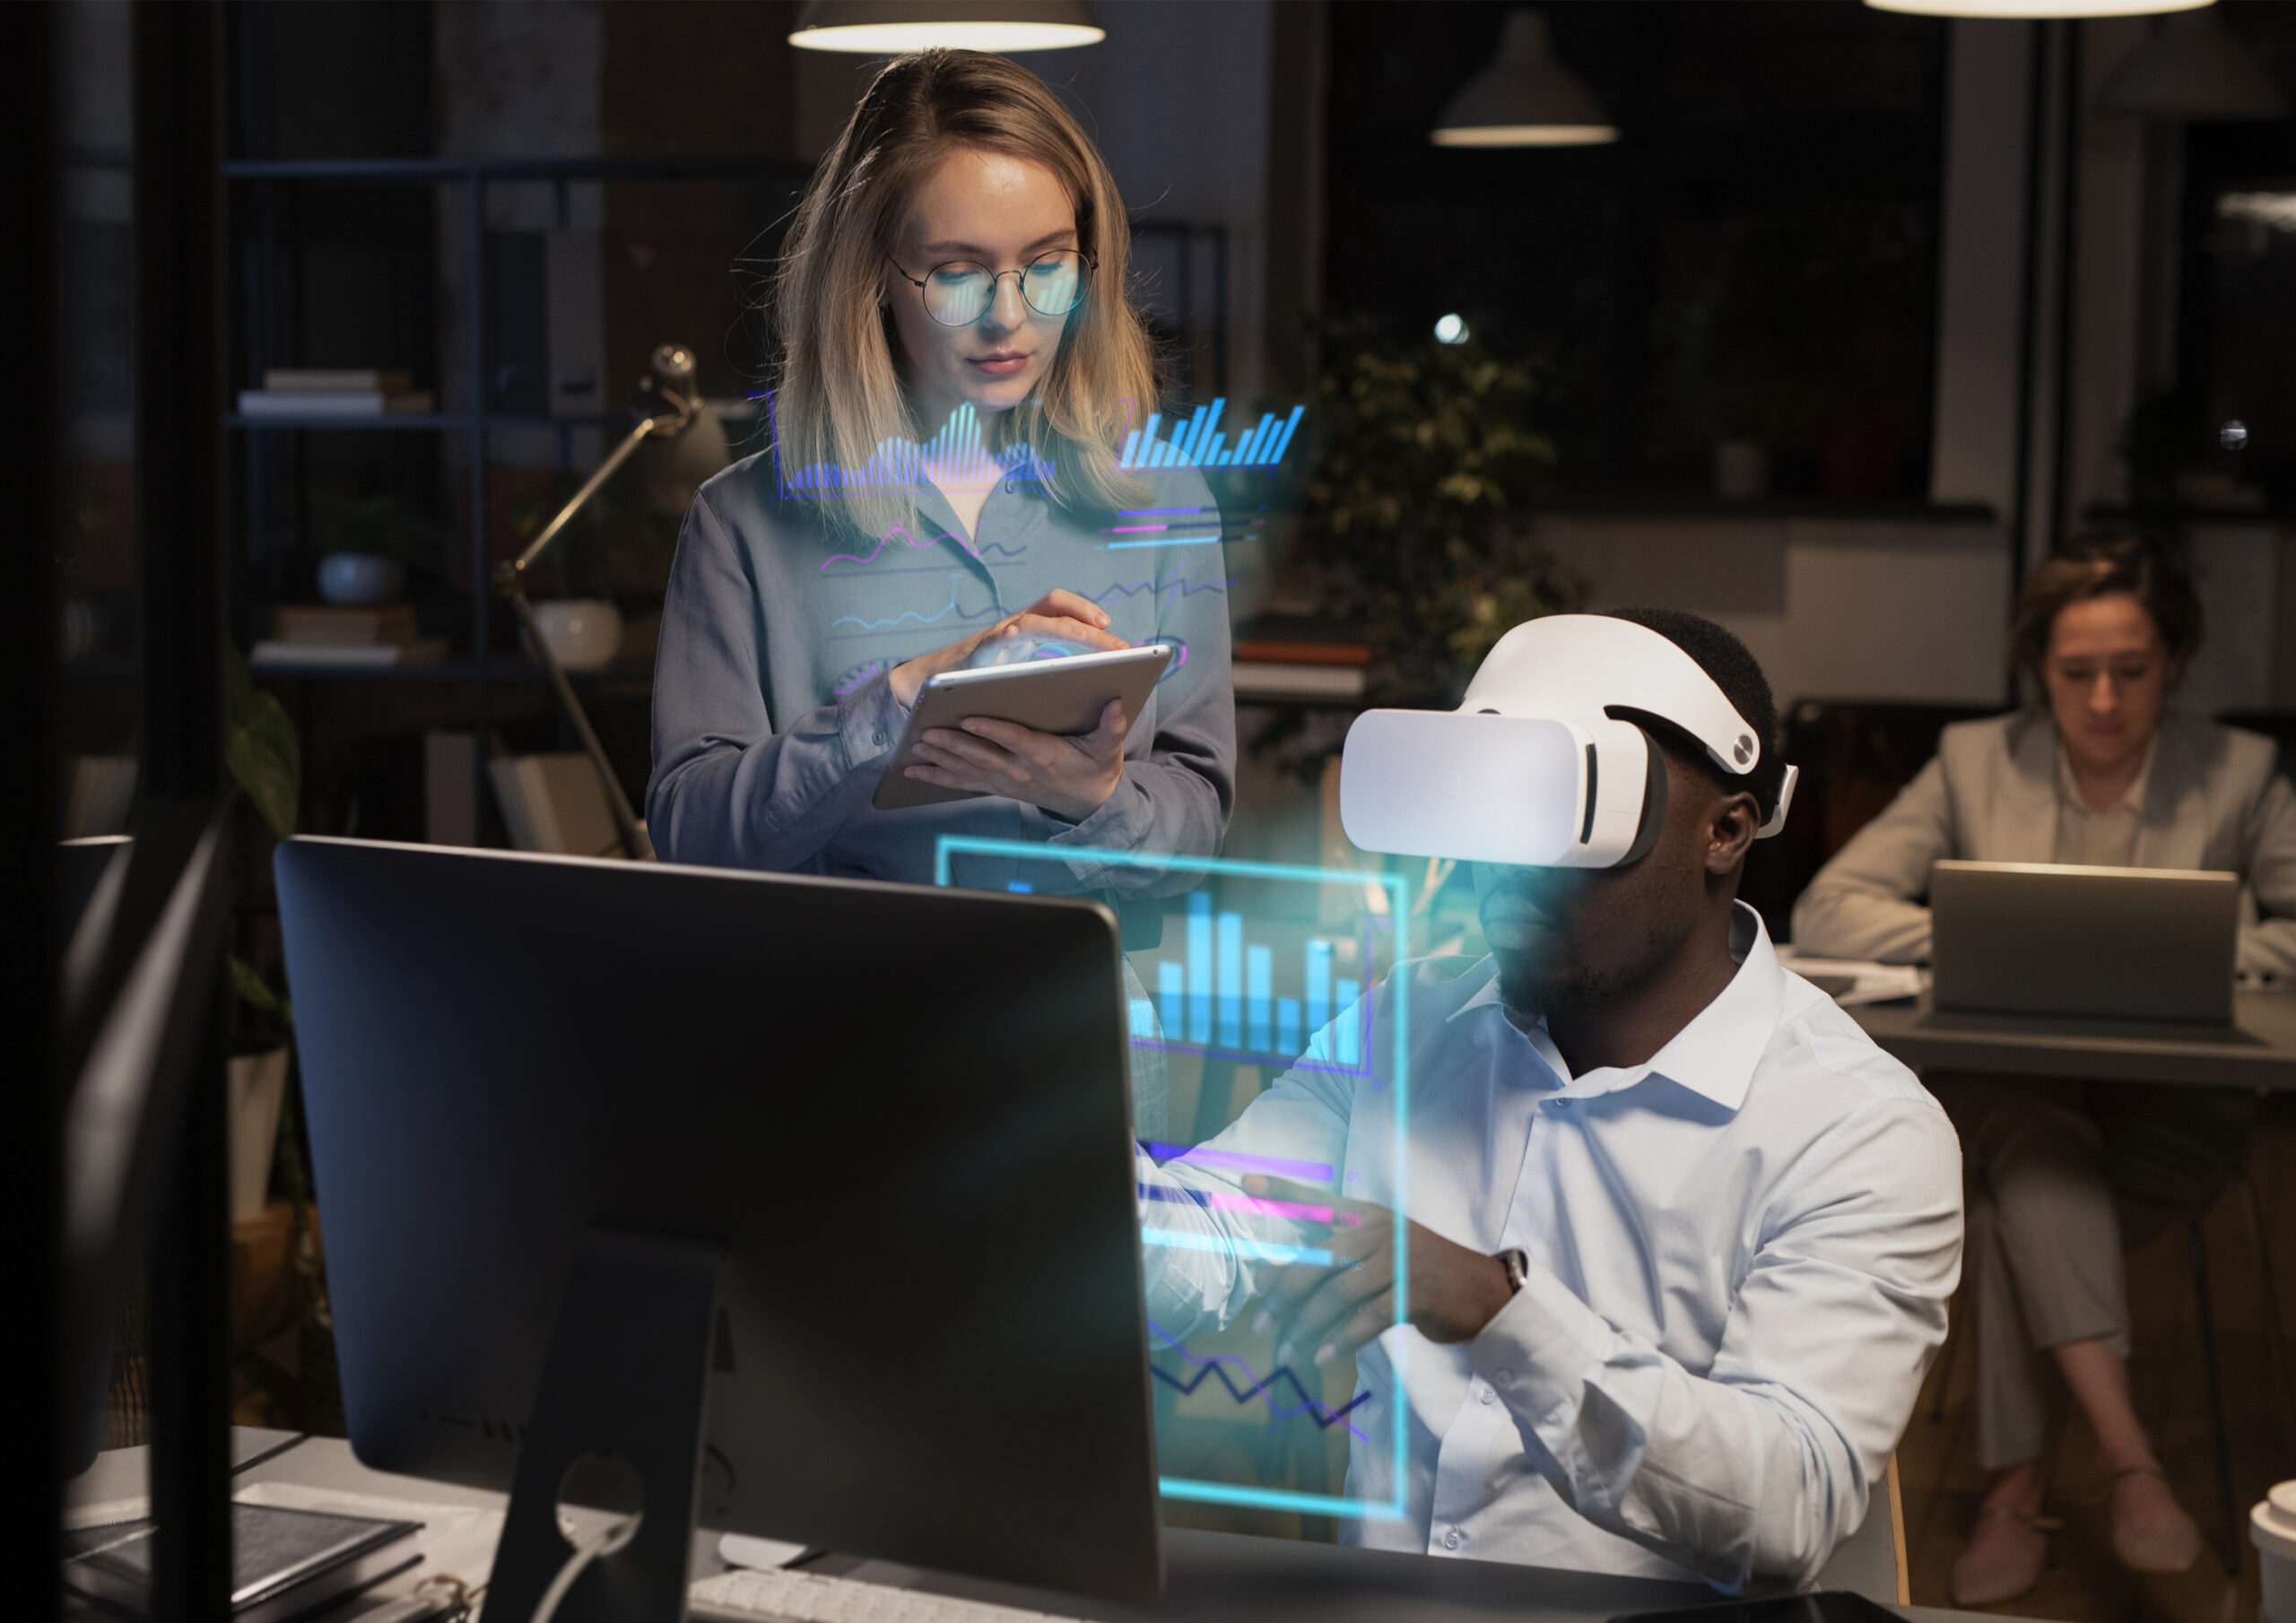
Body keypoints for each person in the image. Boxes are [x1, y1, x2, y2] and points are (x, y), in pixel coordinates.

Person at [1142, 609, 1962, 1592]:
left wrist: (1497, 1308)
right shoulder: (1404, 1021)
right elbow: (1211, 1242)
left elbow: (1785, 1505)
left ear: (1726, 828)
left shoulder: (1859, 1131)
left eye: (1565, 814)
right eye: (1491, 807)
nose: (1505, 872)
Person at [646, 51, 1237, 1140]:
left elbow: (1196, 824)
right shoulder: (743, 522)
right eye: (959, 271)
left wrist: (1090, 795)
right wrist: (899, 700)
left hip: (1083, 1048)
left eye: (1048, 266)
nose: (1009, 315)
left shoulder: (1162, 496)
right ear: (873, 272)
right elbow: (686, 836)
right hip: (832, 1045)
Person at [1792, 536, 2296, 1604]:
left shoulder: (2242, 772)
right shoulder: (1975, 761)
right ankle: (2132, 1470)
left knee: (2023, 1184)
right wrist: (1967, 938)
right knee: (2024, 1139)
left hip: (2170, 1116)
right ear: (2038, 670)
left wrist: (2211, 946)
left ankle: (2014, 1491)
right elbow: (1829, 905)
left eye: (2134, 669)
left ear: (2176, 663)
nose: (2105, 698)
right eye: (2076, 673)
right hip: (2010, 1095)